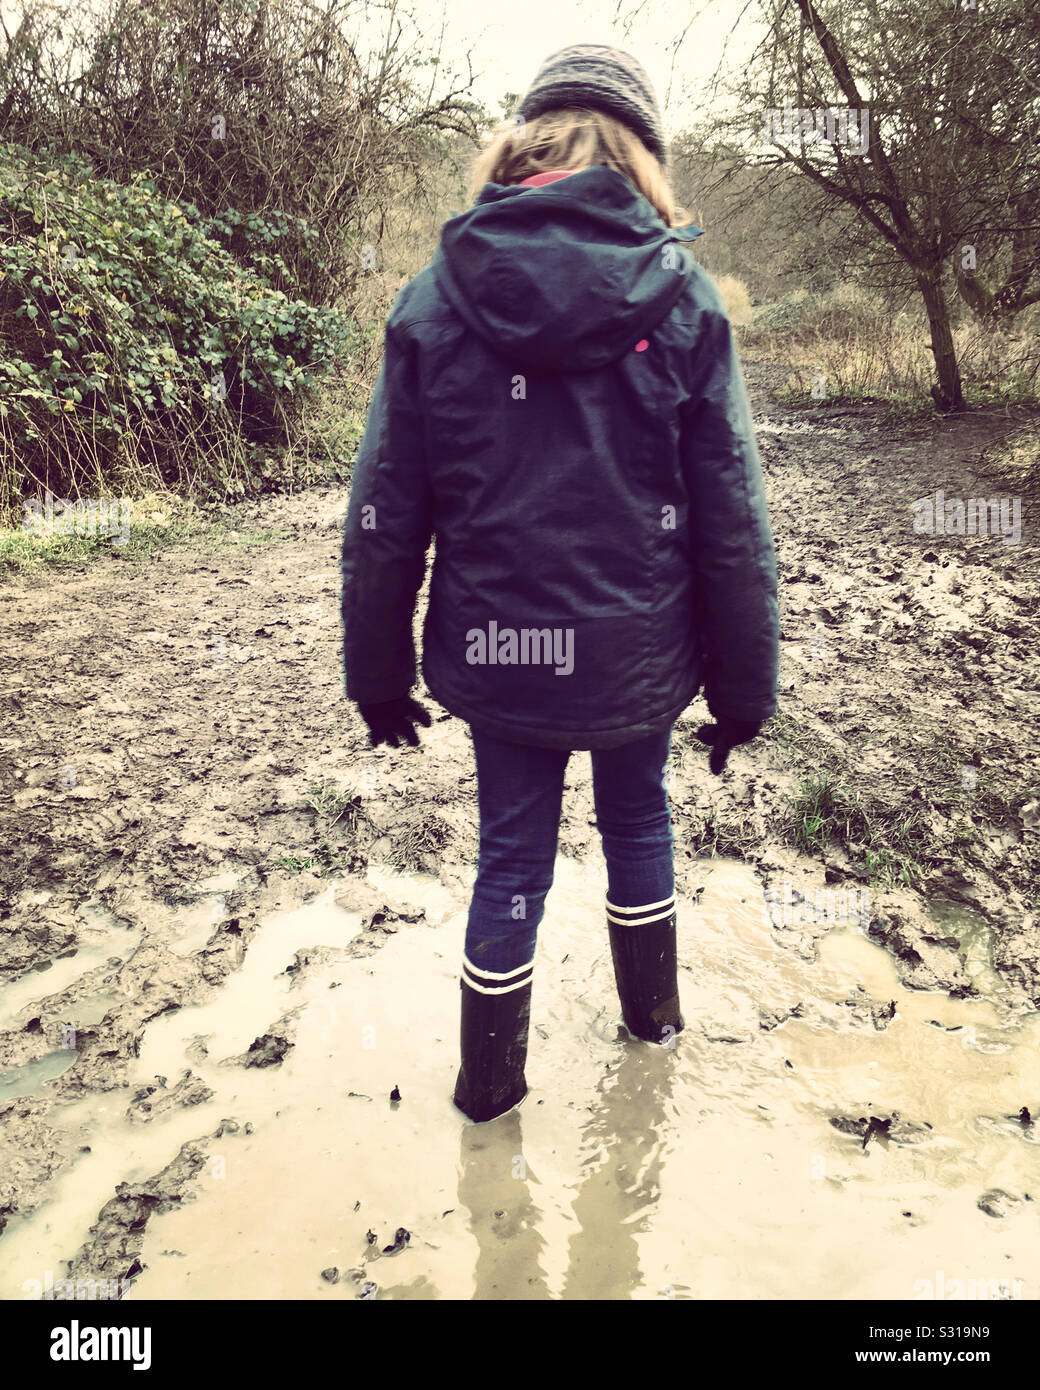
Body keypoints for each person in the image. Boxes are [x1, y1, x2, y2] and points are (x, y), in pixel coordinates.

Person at [341, 44, 779, 1124]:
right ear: (641, 155)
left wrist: (377, 676)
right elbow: (730, 525)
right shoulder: (684, 301)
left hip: (502, 653)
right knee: (637, 825)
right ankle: (654, 1038)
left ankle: (487, 1098)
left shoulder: (433, 298)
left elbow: (383, 517)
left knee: (509, 859)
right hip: (636, 656)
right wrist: (742, 693)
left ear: (522, 142)